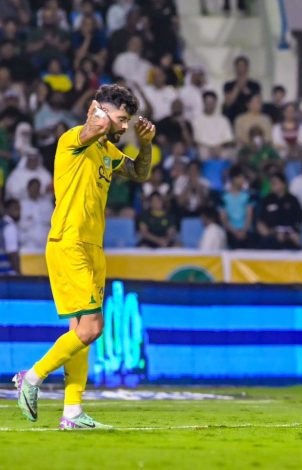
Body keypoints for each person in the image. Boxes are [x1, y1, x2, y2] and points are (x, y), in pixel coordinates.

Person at [13, 84, 155, 429]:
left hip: (93, 247)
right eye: (121, 119)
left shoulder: (107, 152)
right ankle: (30, 378)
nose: (124, 126)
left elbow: (140, 173)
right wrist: (99, 117)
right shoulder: (73, 139)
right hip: (69, 242)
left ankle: (73, 412)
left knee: (79, 331)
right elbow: (91, 130)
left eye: (127, 121)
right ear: (100, 111)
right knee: (92, 328)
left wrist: (146, 144)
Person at [255, 173, 302, 250]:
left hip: (289, 235)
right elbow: (261, 222)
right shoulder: (267, 200)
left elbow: (299, 221)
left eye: (275, 183)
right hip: (272, 235)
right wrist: (272, 233)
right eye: (271, 183)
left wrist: (292, 234)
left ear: (283, 184)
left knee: (297, 244)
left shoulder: (293, 200)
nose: (272, 185)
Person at [222, 56, 261, 123]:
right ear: (235, 68)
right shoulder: (228, 85)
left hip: (250, 119)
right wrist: (237, 87)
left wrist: (245, 89)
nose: (241, 68)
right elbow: (228, 103)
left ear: (247, 68)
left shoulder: (255, 85)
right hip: (232, 118)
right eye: (238, 66)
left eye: (243, 66)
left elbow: (257, 103)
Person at [18, 178, 53, 250]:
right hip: (28, 244)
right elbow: (19, 223)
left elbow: (52, 221)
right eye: (33, 187)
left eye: (37, 187)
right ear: (28, 188)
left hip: (45, 243)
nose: (35, 190)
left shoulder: (47, 204)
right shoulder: (21, 204)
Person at [0, 197, 20, 275]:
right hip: (7, 274)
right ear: (7, 210)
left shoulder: (2, 224)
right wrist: (19, 273)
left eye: (19, 208)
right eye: (15, 208)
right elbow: (12, 253)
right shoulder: (9, 226)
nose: (18, 211)